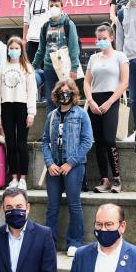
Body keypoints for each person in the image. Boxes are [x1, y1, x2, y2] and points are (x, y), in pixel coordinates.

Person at [42, 79, 93, 257]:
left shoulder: (81, 114)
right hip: (54, 168)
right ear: (56, 94)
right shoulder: (52, 116)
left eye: (68, 91)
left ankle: (75, 242)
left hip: (74, 167)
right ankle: (49, 243)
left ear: (73, 94)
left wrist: (70, 162)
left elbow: (87, 141)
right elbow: (45, 142)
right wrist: (50, 163)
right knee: (52, 207)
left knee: (74, 204)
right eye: (61, 91)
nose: (65, 94)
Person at [84, 25, 128, 194]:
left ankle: (117, 178)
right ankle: (104, 179)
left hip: (111, 99)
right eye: (99, 38)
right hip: (94, 100)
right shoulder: (94, 58)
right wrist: (90, 100)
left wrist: (110, 102)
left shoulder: (120, 56)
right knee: (99, 142)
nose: (101, 41)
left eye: (104, 38)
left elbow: (124, 82)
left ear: (111, 38)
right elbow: (87, 82)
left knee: (109, 140)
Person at [0, 37, 37, 191]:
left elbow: (32, 92)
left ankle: (23, 178)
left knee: (21, 144)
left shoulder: (27, 68)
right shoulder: (1, 69)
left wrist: (31, 113)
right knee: (10, 144)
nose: (14, 50)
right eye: (11, 48)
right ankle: (13, 177)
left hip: (22, 107)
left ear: (21, 50)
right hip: (6, 107)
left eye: (17, 48)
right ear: (7, 50)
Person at [32, 0, 80, 113]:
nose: (54, 7)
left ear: (62, 8)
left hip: (65, 68)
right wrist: (32, 67)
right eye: (51, 5)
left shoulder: (68, 24)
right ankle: (51, 129)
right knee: (51, 100)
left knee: (67, 97)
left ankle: (67, 127)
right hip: (49, 68)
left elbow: (74, 47)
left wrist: (74, 68)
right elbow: (41, 50)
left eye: (56, 5)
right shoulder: (45, 27)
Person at [23, 0, 52, 65]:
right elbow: (26, 22)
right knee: (30, 68)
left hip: (48, 40)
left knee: (47, 69)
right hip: (32, 40)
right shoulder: (30, 2)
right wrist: (24, 40)